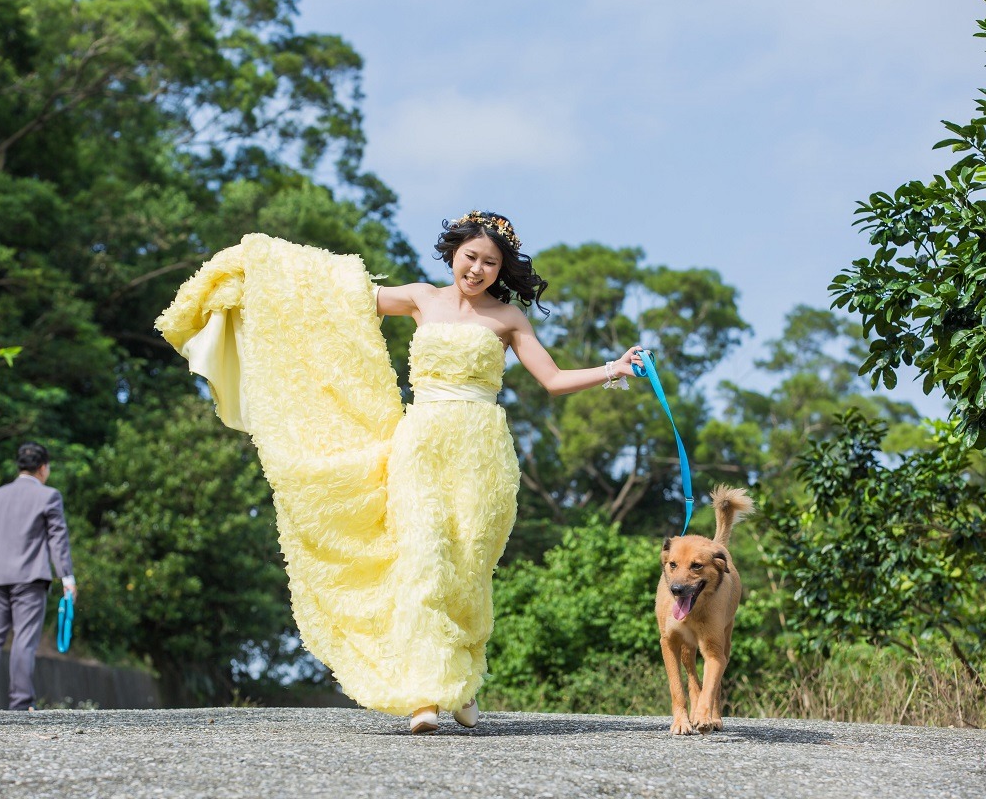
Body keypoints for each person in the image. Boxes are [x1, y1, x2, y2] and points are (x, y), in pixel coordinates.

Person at [155, 211, 641, 732]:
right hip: (421, 442)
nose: (476, 270)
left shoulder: (508, 319)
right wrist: (269, 271)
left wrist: (614, 368)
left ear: (502, 270)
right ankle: (426, 696)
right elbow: (336, 296)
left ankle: (462, 678)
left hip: (482, 450)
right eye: (470, 257)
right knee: (424, 557)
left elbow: (553, 378)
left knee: (469, 565)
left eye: (489, 264)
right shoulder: (420, 298)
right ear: (454, 252)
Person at [0, 442, 77, 711]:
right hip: (30, 579)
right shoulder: (49, 496)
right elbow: (57, 541)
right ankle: (20, 703)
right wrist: (67, 578)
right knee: (24, 640)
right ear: (43, 468)